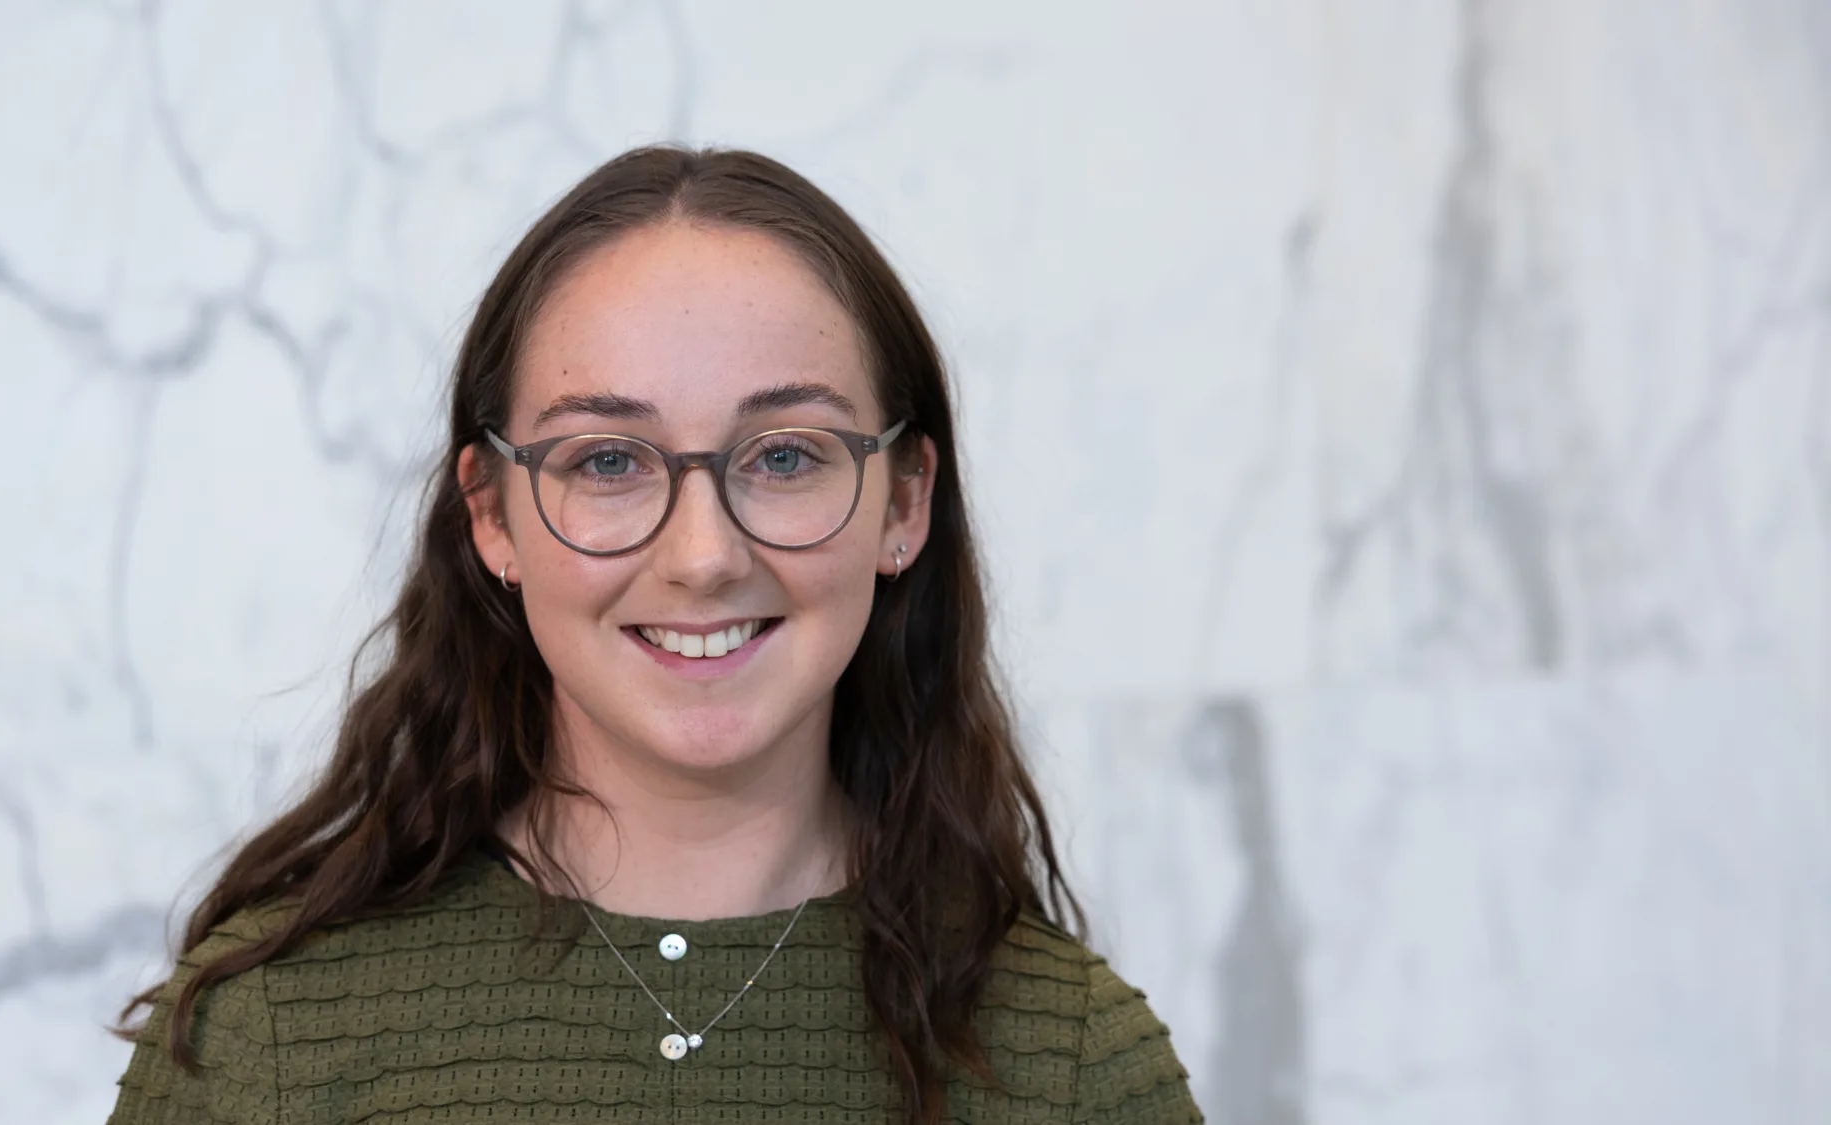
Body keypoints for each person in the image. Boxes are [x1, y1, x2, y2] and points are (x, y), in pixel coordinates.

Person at [108, 145, 1202, 1125]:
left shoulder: (1072, 1068)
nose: (701, 556)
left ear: (903, 503)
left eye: (781, 456)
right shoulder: (270, 1045)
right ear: (491, 516)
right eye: (606, 461)